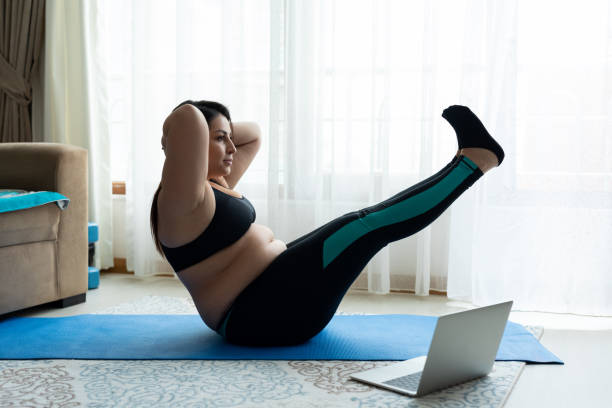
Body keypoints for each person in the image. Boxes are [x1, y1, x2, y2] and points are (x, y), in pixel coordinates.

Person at [151, 100, 504, 347]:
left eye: (229, 136)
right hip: (261, 315)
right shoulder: (182, 201)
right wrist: (178, 135)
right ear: (189, 146)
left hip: (276, 297)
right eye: (218, 138)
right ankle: (474, 162)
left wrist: (220, 127)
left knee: (361, 224)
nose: (231, 145)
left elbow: (253, 134)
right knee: (365, 226)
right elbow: (186, 120)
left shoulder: (217, 184)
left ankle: (468, 160)